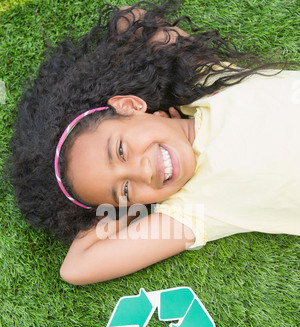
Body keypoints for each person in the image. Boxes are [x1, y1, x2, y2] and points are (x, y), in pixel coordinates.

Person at [9, 2, 300, 284]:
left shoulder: (213, 82)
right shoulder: (193, 207)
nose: (143, 171)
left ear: (130, 104)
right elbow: (76, 267)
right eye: (125, 190)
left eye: (120, 151)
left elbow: (131, 19)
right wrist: (119, 202)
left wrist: (159, 114)